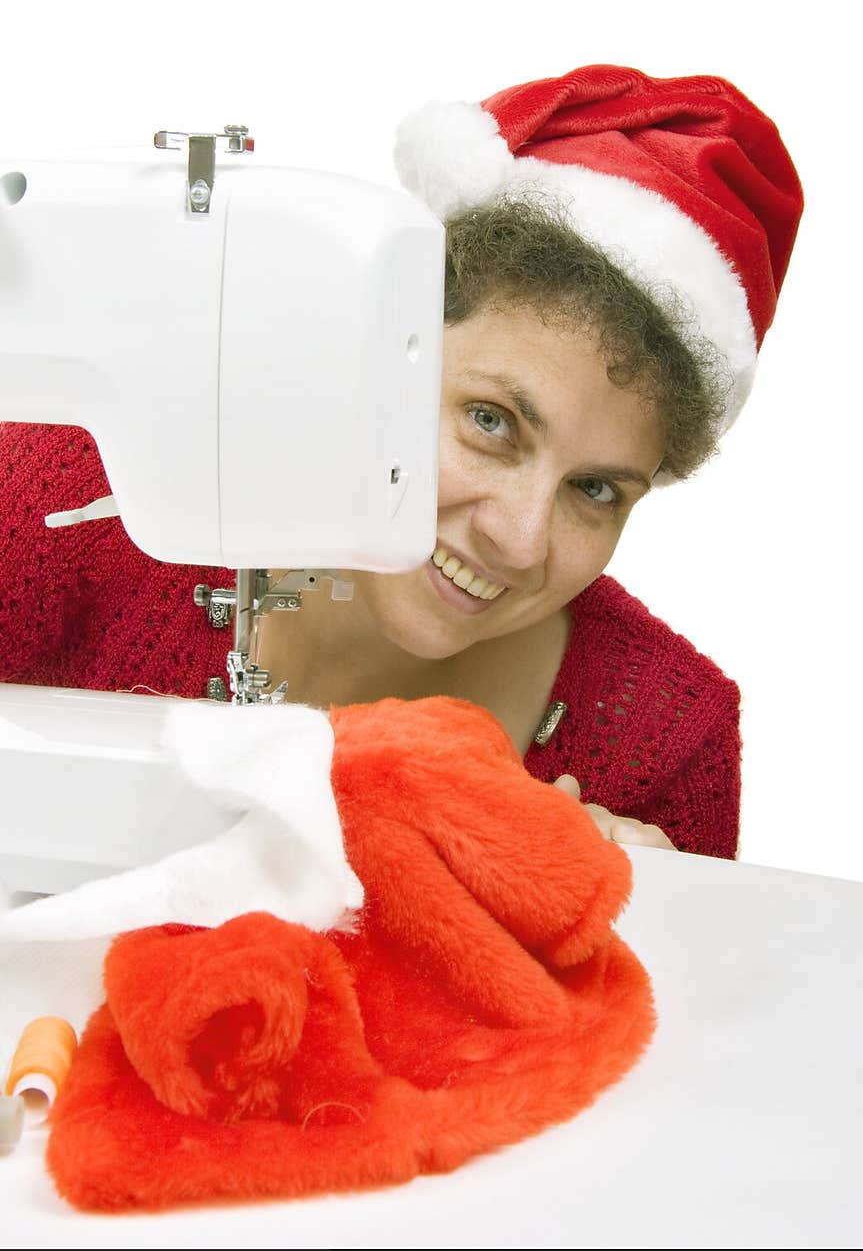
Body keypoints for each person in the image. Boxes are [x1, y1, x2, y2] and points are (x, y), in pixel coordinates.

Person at [0, 63, 803, 860]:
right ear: (385, 341)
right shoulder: (66, 500)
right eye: (491, 422)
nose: (521, 541)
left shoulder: (665, 739)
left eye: (594, 489)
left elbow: (683, 991)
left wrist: (655, 925)